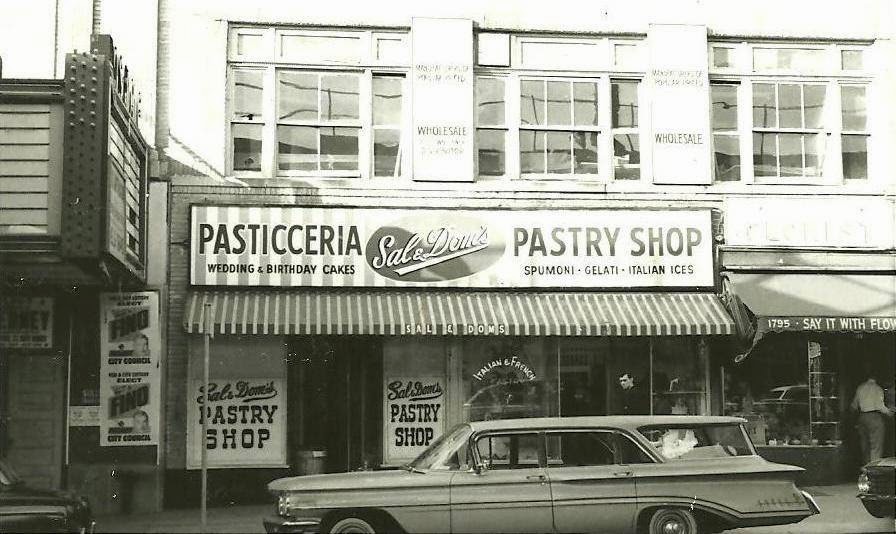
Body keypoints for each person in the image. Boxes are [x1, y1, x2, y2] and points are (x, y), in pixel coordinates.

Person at [850, 372, 894, 463]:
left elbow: (854, 406)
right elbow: (879, 406)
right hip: (875, 418)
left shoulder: (860, 387)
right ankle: (874, 469)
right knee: (876, 446)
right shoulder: (878, 389)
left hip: (862, 418)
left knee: (864, 446)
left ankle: (865, 468)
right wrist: (890, 412)